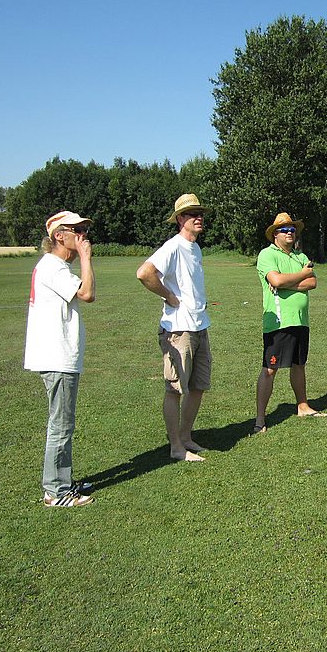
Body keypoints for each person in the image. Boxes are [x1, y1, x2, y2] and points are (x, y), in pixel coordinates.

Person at [24, 210, 96, 507]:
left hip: (58, 356)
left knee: (63, 423)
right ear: (58, 235)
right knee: (61, 425)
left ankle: (62, 480)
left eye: (84, 230)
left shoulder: (55, 267)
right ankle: (56, 491)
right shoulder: (53, 267)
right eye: (76, 231)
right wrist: (86, 258)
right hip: (57, 357)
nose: (83, 236)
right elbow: (87, 293)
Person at [136, 194, 212, 462]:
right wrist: (169, 296)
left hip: (200, 326)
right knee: (175, 389)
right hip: (178, 330)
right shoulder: (173, 246)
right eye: (192, 214)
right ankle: (176, 448)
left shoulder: (195, 248)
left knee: (199, 385)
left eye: (200, 213)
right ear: (180, 219)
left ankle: (186, 436)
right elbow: (144, 273)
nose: (198, 218)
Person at [254, 212, 327, 433]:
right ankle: (260, 420)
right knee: (270, 368)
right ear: (275, 234)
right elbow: (275, 279)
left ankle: (302, 406)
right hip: (278, 322)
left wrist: (287, 283)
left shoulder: (300, 256)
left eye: (292, 229)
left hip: (301, 321)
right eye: (284, 229)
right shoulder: (267, 255)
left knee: (299, 365)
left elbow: (312, 282)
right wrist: (300, 275)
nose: (289, 232)